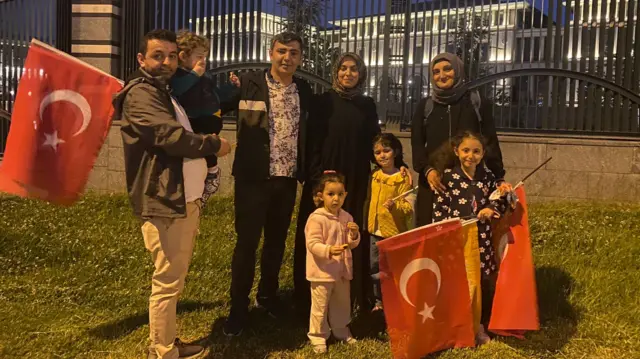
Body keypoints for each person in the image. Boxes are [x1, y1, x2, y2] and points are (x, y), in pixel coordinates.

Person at [112, 29, 231, 359]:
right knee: (167, 280)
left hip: (181, 199)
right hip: (165, 201)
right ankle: (162, 351)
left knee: (174, 278)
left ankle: (167, 340)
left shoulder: (162, 91)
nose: (165, 61)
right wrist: (213, 145)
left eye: (170, 55)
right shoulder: (140, 94)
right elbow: (170, 136)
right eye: (157, 55)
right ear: (141, 59)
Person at [293, 52, 410, 314]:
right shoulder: (323, 102)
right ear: (336, 71)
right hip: (324, 180)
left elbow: (375, 145)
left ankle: (351, 294)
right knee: (318, 233)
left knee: (350, 232)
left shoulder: (366, 105)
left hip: (355, 181)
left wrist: (396, 163)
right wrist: (316, 179)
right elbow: (311, 140)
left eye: (354, 69)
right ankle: (307, 296)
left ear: (361, 73)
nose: (348, 73)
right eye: (343, 68)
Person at [224, 32, 313, 337]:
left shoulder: (304, 89)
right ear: (271, 52)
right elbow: (214, 104)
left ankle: (268, 297)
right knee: (246, 245)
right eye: (282, 51)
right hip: (252, 178)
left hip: (286, 179)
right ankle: (238, 308)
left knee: (276, 243)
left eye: (294, 53)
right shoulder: (249, 82)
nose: (287, 58)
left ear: (300, 58)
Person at [411, 52, 510, 227]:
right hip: (435, 183)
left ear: (457, 70)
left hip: (469, 183)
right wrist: (427, 170)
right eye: (436, 72)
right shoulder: (425, 106)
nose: (441, 75)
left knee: (468, 238)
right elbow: (417, 144)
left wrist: (499, 177)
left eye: (447, 69)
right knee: (432, 239)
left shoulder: (476, 103)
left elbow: (490, 142)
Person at [431, 131, 510, 345]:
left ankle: (478, 327)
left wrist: (490, 208)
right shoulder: (447, 176)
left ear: (483, 153)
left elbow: (500, 201)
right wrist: (443, 234)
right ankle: (455, 326)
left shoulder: (488, 178)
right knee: (457, 282)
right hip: (456, 239)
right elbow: (439, 210)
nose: (470, 156)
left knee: (479, 282)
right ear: (456, 151)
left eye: (476, 151)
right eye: (466, 150)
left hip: (481, 238)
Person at [171, 30, 240, 205]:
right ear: (183, 56)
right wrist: (194, 75)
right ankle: (211, 174)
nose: (204, 61)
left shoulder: (205, 75)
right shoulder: (178, 75)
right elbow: (178, 90)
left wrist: (231, 88)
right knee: (204, 145)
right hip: (193, 121)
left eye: (205, 56)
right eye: (199, 56)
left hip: (210, 116)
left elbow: (214, 94)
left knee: (210, 142)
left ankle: (211, 173)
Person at [305, 172, 360, 354]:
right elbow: (312, 244)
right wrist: (328, 250)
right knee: (320, 306)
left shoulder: (347, 217)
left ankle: (340, 329)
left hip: (342, 271)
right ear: (321, 196)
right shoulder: (316, 218)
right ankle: (318, 335)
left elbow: (352, 244)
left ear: (345, 195)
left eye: (340, 194)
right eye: (331, 194)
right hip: (322, 272)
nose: (336, 199)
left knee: (342, 302)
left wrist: (354, 235)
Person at [366, 133, 414, 312]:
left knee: (393, 268)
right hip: (373, 231)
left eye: (386, 150)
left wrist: (395, 206)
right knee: (374, 268)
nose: (382, 155)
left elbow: (409, 208)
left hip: (393, 232)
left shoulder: (402, 178)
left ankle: (395, 300)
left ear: (395, 152)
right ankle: (378, 301)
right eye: (377, 152)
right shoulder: (373, 176)